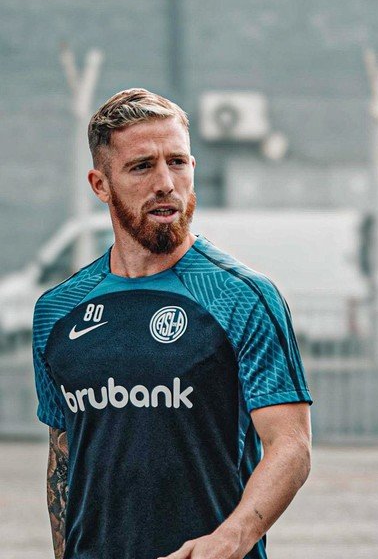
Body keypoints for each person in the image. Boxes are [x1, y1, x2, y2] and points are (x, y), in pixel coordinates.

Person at [32, 88, 312, 559]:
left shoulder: (243, 296)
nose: (165, 182)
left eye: (178, 162)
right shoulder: (57, 311)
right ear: (100, 185)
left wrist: (231, 539)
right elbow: (64, 455)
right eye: (142, 166)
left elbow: (291, 444)